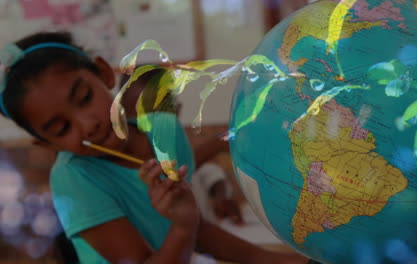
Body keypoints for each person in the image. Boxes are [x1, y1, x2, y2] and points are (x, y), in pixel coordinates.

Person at [0, 31, 308, 263]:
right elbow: (186, 228)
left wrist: (277, 260)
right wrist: (184, 227)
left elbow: (197, 231)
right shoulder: (74, 180)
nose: (87, 124)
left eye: (84, 98)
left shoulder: (164, 130)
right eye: (62, 128)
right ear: (46, 143)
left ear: (105, 74)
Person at [119, 69, 244, 226]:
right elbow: (174, 175)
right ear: (124, 121)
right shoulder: (132, 175)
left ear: (177, 111)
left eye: (164, 112)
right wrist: (214, 145)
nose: (156, 125)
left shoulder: (180, 153)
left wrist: (220, 196)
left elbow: (208, 173)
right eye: (144, 116)